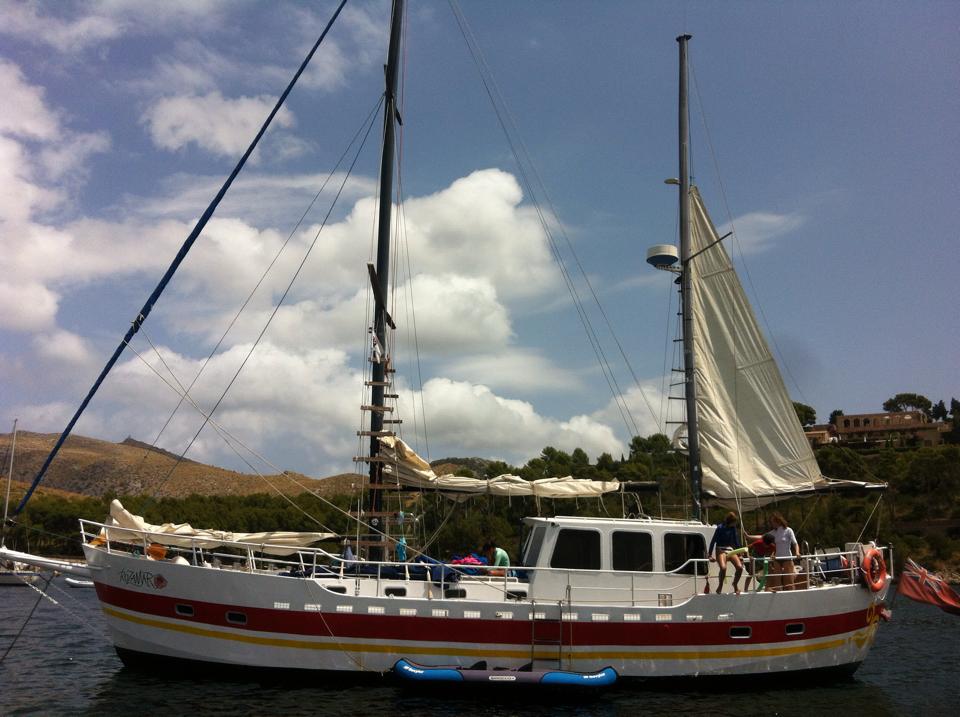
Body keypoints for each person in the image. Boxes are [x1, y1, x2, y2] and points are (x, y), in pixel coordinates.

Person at [707, 512, 745, 594]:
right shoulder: (720, 528)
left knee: (739, 567)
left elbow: (736, 542)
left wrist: (740, 553)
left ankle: (735, 584)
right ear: (730, 521)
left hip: (730, 549)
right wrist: (709, 555)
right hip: (720, 548)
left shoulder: (733, 528)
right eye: (734, 522)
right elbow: (713, 541)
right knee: (723, 568)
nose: (735, 524)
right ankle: (720, 586)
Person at [769, 512, 800, 591]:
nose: (772, 524)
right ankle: (779, 600)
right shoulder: (773, 532)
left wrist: (797, 552)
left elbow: (795, 543)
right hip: (777, 559)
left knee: (789, 582)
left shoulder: (788, 530)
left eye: (773, 522)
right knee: (777, 583)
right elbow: (762, 537)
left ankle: (793, 598)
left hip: (787, 558)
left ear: (778, 521)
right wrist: (748, 536)